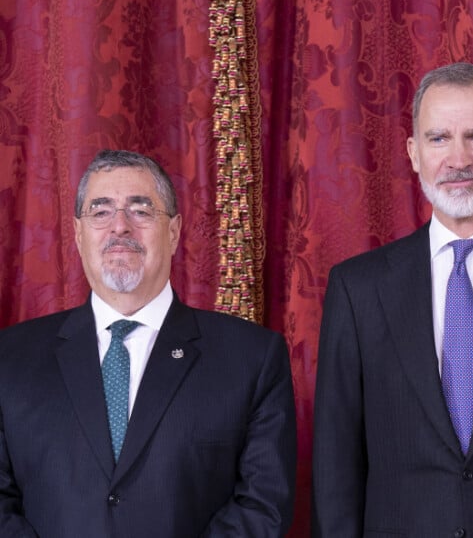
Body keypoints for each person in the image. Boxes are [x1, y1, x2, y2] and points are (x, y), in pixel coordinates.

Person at [311, 62, 473, 537]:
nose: (458, 159)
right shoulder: (358, 288)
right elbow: (336, 467)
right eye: (438, 139)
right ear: (414, 153)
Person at [0, 150, 296, 537]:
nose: (119, 227)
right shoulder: (11, 357)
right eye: (101, 211)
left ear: (173, 232)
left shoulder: (252, 358)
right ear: (77, 234)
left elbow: (262, 505)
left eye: (140, 211)